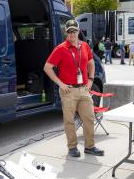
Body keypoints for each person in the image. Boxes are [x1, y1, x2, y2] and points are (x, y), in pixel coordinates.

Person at [44, 19, 104, 157]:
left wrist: (90, 79)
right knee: (69, 120)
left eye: (75, 31)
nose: (72, 34)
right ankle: (72, 148)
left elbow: (91, 63)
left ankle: (90, 146)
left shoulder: (84, 46)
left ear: (78, 32)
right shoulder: (60, 49)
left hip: (83, 89)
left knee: (89, 118)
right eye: (70, 32)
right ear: (66, 32)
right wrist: (60, 84)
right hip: (68, 90)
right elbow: (47, 67)